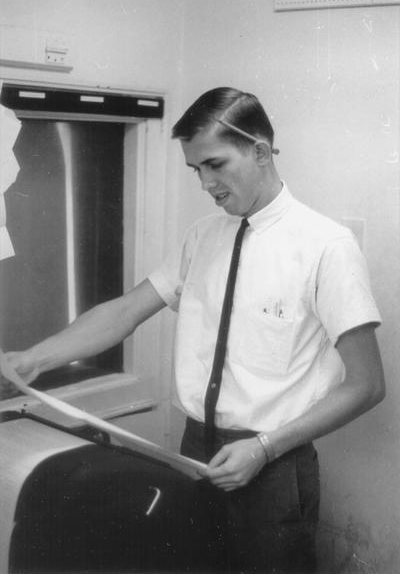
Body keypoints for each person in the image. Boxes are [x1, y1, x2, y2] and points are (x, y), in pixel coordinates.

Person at [4, 87, 385, 573]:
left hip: (274, 461)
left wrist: (264, 447)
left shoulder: (327, 246)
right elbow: (125, 311)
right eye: (196, 170)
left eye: (216, 164)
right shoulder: (203, 236)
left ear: (261, 151)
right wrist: (31, 360)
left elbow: (367, 384)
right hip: (195, 449)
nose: (206, 183)